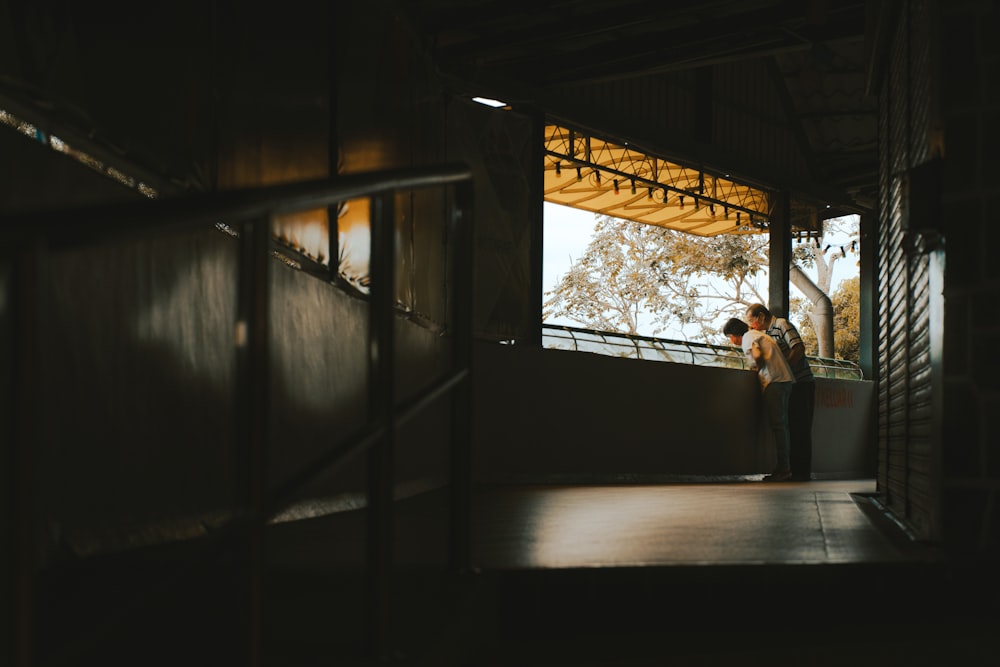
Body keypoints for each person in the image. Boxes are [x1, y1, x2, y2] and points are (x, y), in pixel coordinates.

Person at [745, 304, 816, 482]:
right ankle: (791, 471)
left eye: (751, 321)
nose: (751, 325)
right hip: (789, 383)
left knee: (801, 428)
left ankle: (802, 473)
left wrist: (784, 369)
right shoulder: (765, 335)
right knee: (790, 427)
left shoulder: (781, 325)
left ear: (761, 317)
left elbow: (798, 348)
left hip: (801, 382)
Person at [723, 317, 795, 482]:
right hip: (784, 380)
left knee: (778, 426)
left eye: (729, 337)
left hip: (774, 381)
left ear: (734, 335)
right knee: (782, 426)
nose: (731, 341)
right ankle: (785, 467)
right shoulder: (759, 334)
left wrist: (755, 367)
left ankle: (784, 469)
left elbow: (757, 355)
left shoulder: (749, 337)